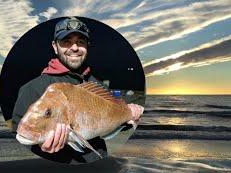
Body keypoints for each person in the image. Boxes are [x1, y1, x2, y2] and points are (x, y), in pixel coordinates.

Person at [11, 17, 144, 164]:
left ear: (87, 46)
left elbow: (110, 121)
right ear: (55, 47)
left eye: (81, 42)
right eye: (66, 41)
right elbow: (18, 135)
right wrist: (40, 148)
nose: (74, 48)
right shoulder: (32, 88)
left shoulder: (97, 84)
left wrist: (130, 116)